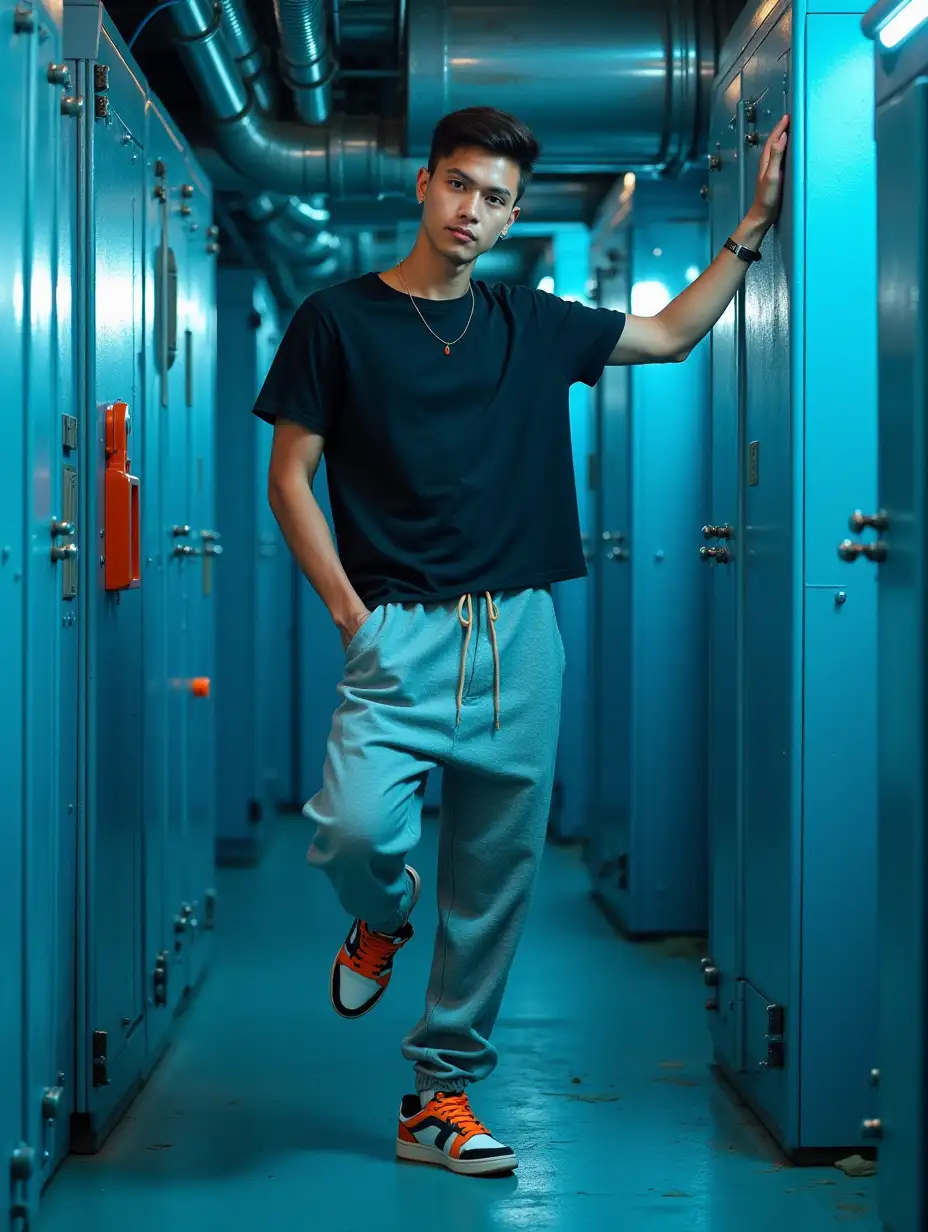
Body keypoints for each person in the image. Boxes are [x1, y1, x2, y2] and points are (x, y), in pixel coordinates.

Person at [253, 105, 789, 1177]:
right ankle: (379, 917)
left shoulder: (532, 322)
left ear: (510, 214)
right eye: (459, 184)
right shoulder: (336, 319)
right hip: (395, 630)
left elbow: (674, 336)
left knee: (494, 879)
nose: (474, 210)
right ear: (424, 185)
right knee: (356, 832)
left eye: (496, 197)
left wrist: (754, 223)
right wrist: (350, 613)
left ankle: (436, 1094)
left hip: (520, 635)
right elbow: (288, 478)